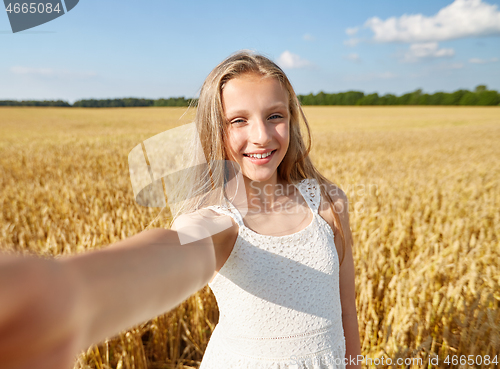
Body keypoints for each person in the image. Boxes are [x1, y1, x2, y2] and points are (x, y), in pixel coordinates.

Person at [0, 49, 361, 369]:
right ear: (214, 130)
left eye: (275, 116)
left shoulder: (329, 202)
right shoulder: (219, 219)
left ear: (291, 119)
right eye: (238, 120)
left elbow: (347, 311)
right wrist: (69, 292)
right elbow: (171, 254)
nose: (262, 136)